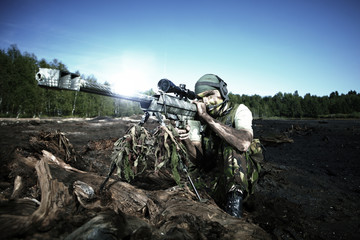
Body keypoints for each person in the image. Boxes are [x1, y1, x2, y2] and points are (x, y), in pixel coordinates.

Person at [177, 74, 261, 218]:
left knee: (231, 146)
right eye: (201, 98)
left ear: (222, 91)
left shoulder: (239, 110)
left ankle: (234, 212)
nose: (207, 101)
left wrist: (206, 118)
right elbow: (199, 161)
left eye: (210, 95)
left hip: (241, 178)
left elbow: (243, 143)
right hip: (215, 178)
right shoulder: (197, 118)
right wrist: (186, 139)